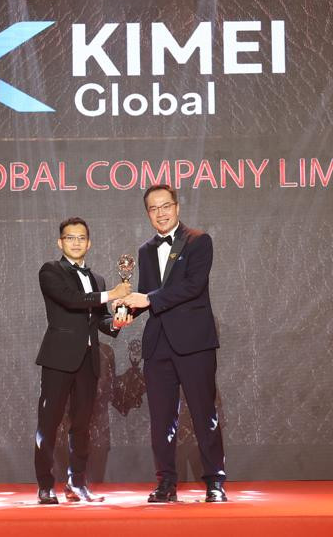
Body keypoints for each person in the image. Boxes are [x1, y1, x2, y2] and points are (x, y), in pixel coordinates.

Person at [117, 184, 227, 503]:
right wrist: (125, 311)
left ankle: (214, 482)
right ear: (147, 214)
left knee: (204, 414)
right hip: (158, 345)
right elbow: (146, 294)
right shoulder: (144, 250)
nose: (161, 213)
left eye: (166, 206)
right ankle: (166, 482)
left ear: (177, 207)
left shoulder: (198, 241)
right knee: (162, 419)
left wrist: (148, 299)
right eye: (153, 208)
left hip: (194, 343)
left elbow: (193, 286)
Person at [34, 217, 132, 505]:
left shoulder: (97, 279)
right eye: (70, 237)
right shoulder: (50, 271)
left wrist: (118, 321)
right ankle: (45, 485)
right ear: (60, 242)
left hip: (89, 360)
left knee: (82, 424)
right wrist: (112, 294)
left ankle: (76, 483)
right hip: (58, 358)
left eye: (81, 238)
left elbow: (101, 319)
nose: (76, 242)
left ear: (89, 243)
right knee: (49, 423)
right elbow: (72, 299)